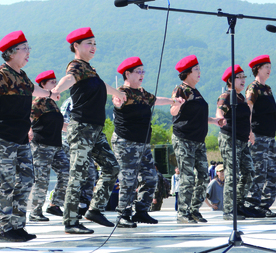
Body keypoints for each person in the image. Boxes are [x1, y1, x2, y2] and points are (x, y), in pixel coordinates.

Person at [0, 31, 59, 243]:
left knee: (27, 178)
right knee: (4, 183)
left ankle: (17, 226)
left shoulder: (22, 75)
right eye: (24, 48)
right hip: (2, 137)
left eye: (29, 48)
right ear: (11, 52)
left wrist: (49, 94)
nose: (29, 52)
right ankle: (1, 230)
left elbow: (32, 89)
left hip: (20, 137)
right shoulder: (2, 74)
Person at [51, 27, 126, 233]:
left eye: (94, 43)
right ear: (76, 46)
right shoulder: (76, 66)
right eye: (88, 43)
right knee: (78, 174)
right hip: (82, 128)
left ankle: (95, 210)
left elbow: (101, 85)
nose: (93, 47)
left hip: (95, 129)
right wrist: (56, 89)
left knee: (111, 167)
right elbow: (69, 78)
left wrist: (118, 92)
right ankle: (71, 221)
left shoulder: (89, 69)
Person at [111, 57, 181, 227]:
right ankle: (123, 214)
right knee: (129, 179)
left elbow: (156, 99)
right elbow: (117, 100)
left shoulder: (143, 94)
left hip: (142, 143)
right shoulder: (122, 92)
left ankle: (141, 211)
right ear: (127, 74)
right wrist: (117, 99)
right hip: (125, 142)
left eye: (143, 71)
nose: (142, 74)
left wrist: (173, 101)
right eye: (138, 71)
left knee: (151, 177)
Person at [170, 55, 225, 224]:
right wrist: (177, 104)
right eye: (196, 69)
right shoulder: (182, 89)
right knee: (187, 176)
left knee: (202, 175)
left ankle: (194, 210)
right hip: (184, 139)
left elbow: (197, 116)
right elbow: (173, 111)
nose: (199, 72)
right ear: (187, 73)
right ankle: (183, 212)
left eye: (199, 69)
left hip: (198, 140)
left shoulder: (196, 92)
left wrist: (214, 121)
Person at [215, 64, 255, 220]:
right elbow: (220, 110)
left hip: (242, 141)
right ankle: (229, 210)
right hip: (229, 139)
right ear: (230, 81)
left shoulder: (241, 97)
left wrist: (250, 133)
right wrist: (220, 117)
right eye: (239, 77)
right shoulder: (227, 95)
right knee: (232, 175)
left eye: (244, 77)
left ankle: (238, 204)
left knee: (249, 172)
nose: (243, 80)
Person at [28, 70, 69, 222]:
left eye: (55, 81)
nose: (55, 84)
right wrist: (28, 130)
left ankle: (55, 204)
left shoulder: (52, 102)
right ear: (43, 85)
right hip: (41, 145)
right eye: (52, 82)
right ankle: (35, 212)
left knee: (66, 171)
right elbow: (28, 118)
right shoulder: (38, 101)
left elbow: (58, 123)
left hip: (56, 145)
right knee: (42, 179)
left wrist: (70, 128)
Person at [244, 55, 276, 218]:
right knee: (259, 172)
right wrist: (249, 131)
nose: (269, 69)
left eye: (270, 66)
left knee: (273, 172)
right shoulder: (253, 88)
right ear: (258, 68)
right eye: (266, 66)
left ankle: (265, 205)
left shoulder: (268, 89)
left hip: (270, 136)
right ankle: (253, 204)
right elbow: (248, 110)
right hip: (258, 136)